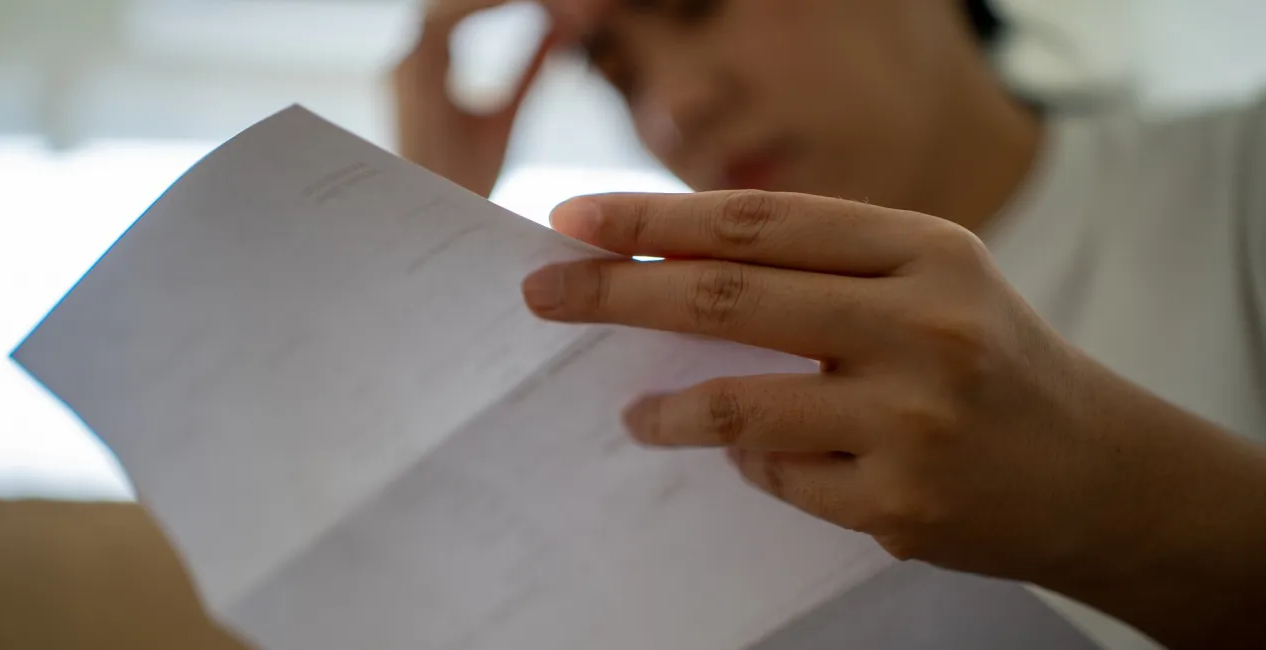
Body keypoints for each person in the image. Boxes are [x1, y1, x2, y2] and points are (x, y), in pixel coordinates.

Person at [392, 1, 1266, 649]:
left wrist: (1110, 501)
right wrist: (417, 239)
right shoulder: (680, 385)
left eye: (699, 4)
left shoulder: (1238, 181)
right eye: (619, 72)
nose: (675, 107)